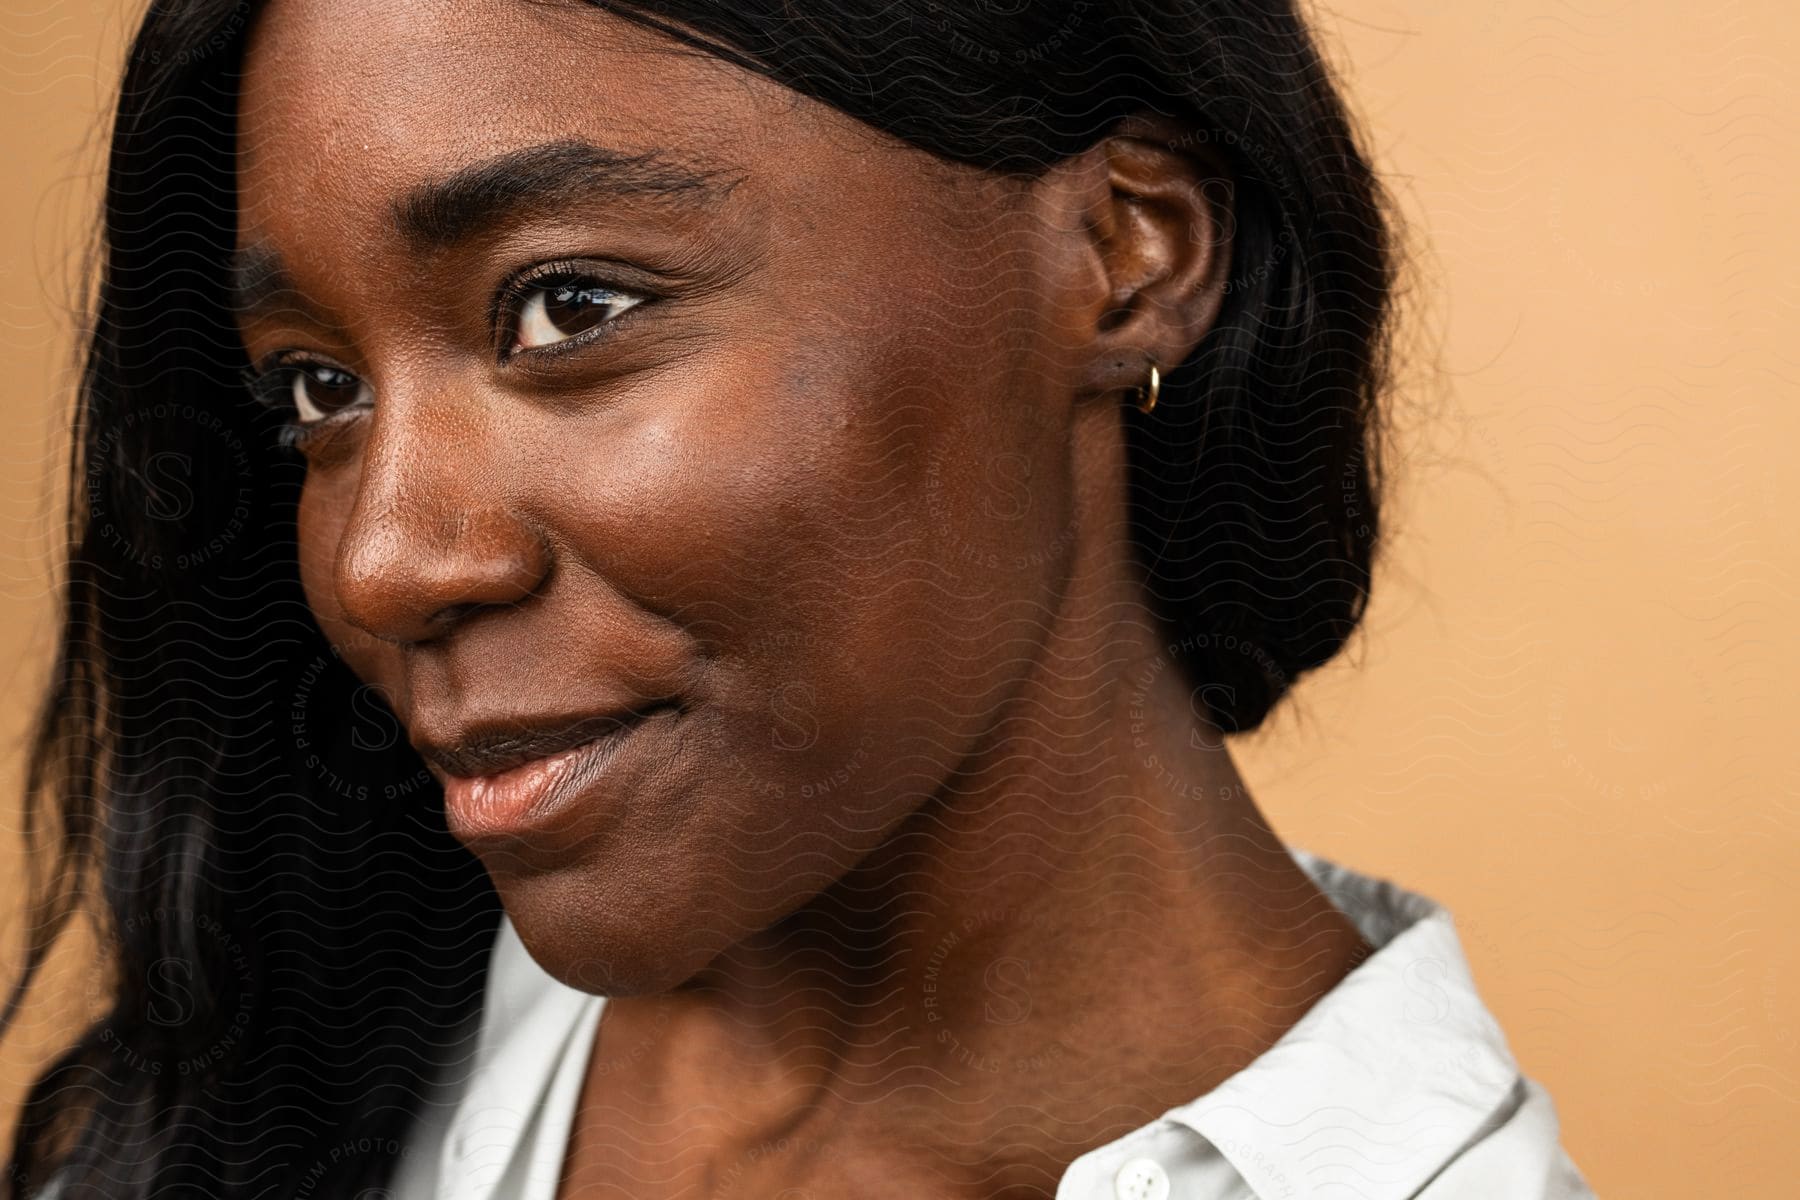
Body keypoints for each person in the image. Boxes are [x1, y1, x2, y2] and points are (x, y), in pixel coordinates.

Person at [4, 1, 1596, 1196]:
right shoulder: (297, 1055)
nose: (383, 561)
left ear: (1130, 248)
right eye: (317, 390)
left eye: (571, 307)